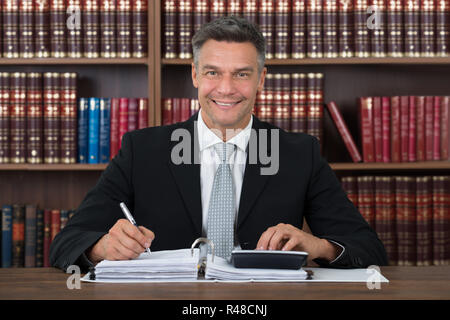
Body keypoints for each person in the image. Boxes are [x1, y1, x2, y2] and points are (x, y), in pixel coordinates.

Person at [50, 16, 387, 272]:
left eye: (241, 74)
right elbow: (66, 243)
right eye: (212, 73)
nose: (226, 89)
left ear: (261, 79)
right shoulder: (143, 150)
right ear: (195, 76)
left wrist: (318, 247)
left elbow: (368, 249)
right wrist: (102, 248)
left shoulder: (299, 153)